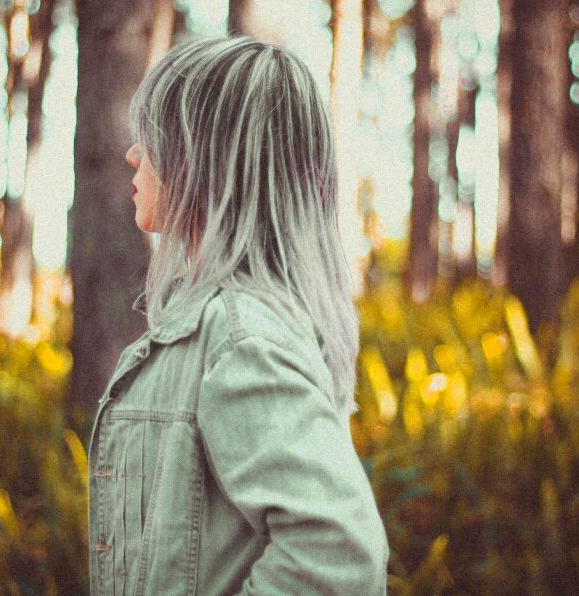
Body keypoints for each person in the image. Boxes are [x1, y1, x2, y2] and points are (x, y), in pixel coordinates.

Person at [87, 35, 389, 595]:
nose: (133, 154)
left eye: (153, 134)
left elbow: (339, 557)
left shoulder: (241, 339)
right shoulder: (215, 325)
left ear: (204, 155)